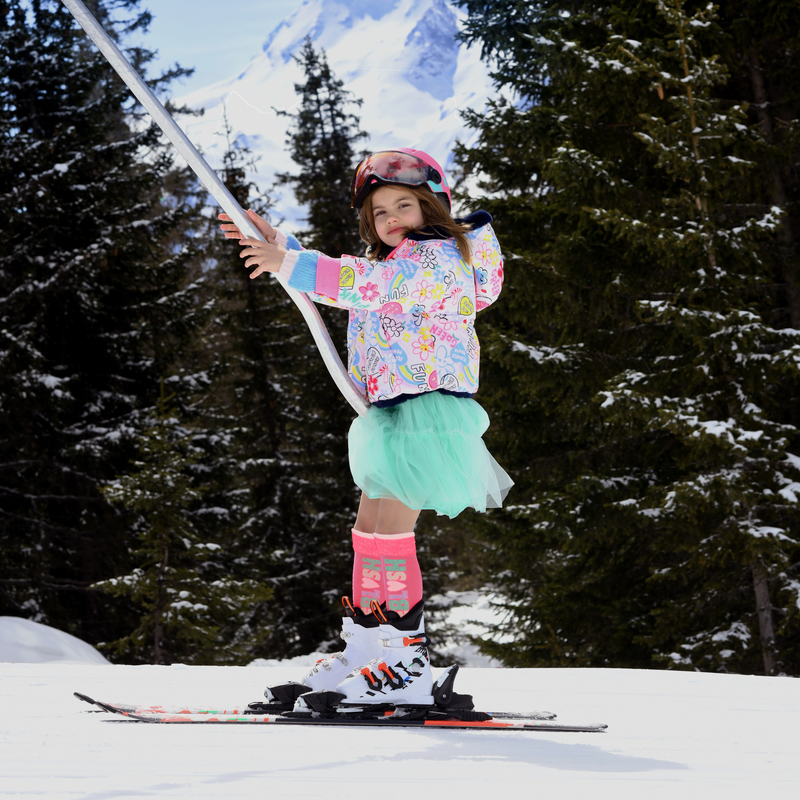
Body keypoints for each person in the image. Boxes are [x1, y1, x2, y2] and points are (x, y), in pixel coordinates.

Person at [219, 148, 512, 711]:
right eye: (379, 212)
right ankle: (368, 649)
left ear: (432, 206)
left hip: (425, 413)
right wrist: (280, 244)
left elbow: (368, 284)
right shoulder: (400, 261)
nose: (391, 217)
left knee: (393, 532)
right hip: (393, 412)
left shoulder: (440, 259)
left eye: (403, 204)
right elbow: (358, 280)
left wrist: (288, 262)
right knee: (370, 530)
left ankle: (404, 661)